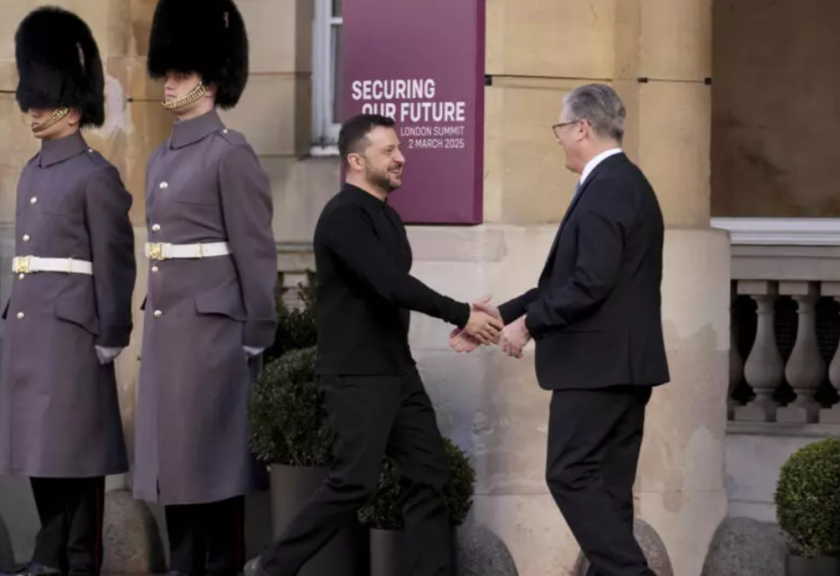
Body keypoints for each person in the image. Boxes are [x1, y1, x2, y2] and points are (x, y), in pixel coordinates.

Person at [242, 114, 502, 576]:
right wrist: (461, 313)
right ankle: (272, 568)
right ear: (356, 161)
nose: (401, 158)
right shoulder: (343, 216)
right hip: (356, 374)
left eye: (399, 148)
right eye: (389, 151)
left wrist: (463, 314)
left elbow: (396, 287)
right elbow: (390, 284)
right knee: (352, 483)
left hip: (396, 369)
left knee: (429, 474)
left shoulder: (387, 215)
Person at [452, 84, 669, 576]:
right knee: (608, 491)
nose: (558, 138)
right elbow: (567, 282)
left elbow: (590, 283)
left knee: (569, 474)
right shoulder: (626, 182)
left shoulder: (607, 187)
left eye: (561, 127)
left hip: (597, 368)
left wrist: (529, 324)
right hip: (622, 366)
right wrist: (499, 317)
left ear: (582, 128)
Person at [133, 0, 278, 575]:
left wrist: (257, 326)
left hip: (214, 336)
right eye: (167, 73)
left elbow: (255, 250)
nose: (169, 83)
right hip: (169, 330)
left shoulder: (229, 153)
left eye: (181, 73)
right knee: (173, 464)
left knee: (214, 467)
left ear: (210, 82)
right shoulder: (160, 157)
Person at [0, 6, 136, 576]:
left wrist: (112, 329)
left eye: (43, 100)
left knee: (77, 455)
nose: (33, 110)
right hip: (32, 331)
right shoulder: (32, 173)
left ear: (72, 106)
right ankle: (49, 555)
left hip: (74, 334)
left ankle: (78, 560)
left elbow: (115, 260)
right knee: (40, 451)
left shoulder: (95, 175)